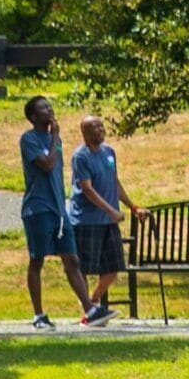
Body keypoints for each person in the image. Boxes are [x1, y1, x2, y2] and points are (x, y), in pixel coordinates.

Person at [15, 94, 90, 328]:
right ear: (33, 116)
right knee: (37, 260)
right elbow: (47, 165)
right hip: (38, 208)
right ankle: (39, 314)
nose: (49, 110)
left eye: (49, 106)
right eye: (43, 108)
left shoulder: (53, 138)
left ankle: (90, 309)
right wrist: (55, 136)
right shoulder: (29, 139)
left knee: (72, 259)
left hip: (59, 208)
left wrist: (55, 138)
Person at [68, 113, 129, 325]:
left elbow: (115, 182)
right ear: (84, 132)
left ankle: (93, 305)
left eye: (102, 126)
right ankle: (90, 310)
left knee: (114, 267)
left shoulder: (109, 152)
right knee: (82, 268)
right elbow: (87, 189)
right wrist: (111, 210)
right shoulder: (81, 156)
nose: (101, 130)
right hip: (86, 220)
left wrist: (132, 206)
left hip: (108, 222)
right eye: (95, 127)